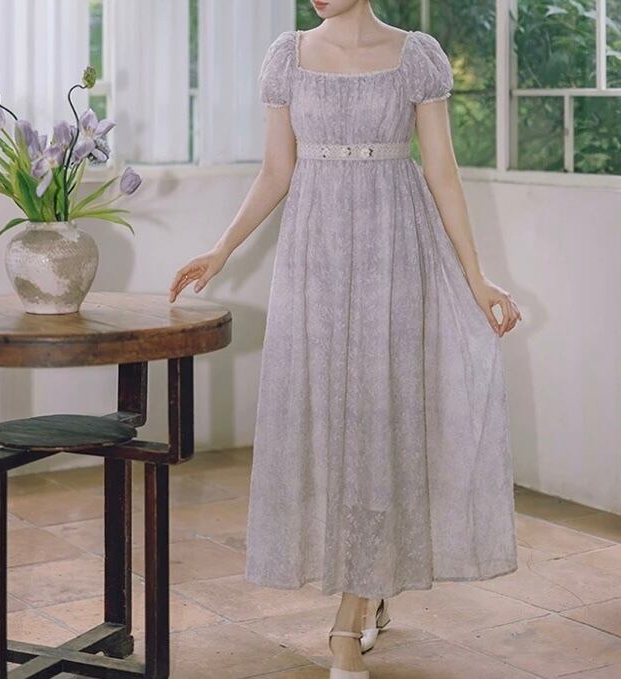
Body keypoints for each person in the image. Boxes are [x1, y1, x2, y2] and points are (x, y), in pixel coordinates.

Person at [168, 1, 522, 676]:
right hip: (315, 259)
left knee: (377, 427)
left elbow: (441, 172)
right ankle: (370, 582)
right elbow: (276, 171)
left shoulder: (415, 56)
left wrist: (476, 279)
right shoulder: (287, 56)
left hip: (395, 255)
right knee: (332, 428)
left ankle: (345, 624)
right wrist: (219, 249)